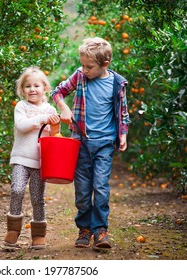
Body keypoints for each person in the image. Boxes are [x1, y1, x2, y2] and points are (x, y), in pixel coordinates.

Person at [51, 37, 130, 249]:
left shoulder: (117, 83)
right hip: (81, 143)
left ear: (105, 64)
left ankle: (101, 231)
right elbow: (57, 92)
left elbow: (123, 113)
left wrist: (122, 134)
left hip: (104, 142)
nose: (84, 69)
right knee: (84, 191)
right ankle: (84, 229)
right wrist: (64, 108)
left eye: (89, 66)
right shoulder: (79, 76)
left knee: (101, 188)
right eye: (83, 65)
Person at [4, 66, 60, 250]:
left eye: (36, 85)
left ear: (45, 88)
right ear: (22, 90)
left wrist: (54, 125)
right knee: (17, 190)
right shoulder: (21, 106)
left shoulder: (50, 109)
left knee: (38, 198)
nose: (32, 89)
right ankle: (13, 230)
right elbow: (21, 126)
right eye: (27, 86)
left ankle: (38, 234)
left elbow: (53, 136)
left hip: (40, 162)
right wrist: (42, 119)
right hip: (21, 158)